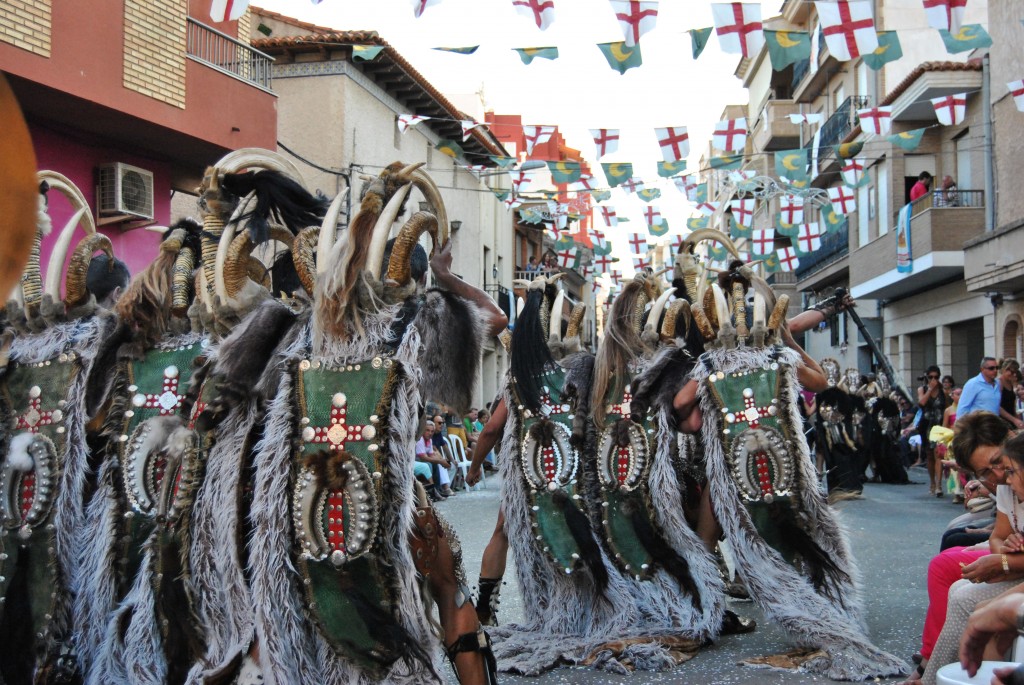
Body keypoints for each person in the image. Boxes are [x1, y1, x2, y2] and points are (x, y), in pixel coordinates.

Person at [902, 411, 1011, 683]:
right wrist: (1000, 555)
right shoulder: (1009, 479)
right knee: (959, 577)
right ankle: (933, 665)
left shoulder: (1013, 473)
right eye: (986, 471)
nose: (997, 475)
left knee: (964, 593)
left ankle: (929, 672)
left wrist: (1004, 563)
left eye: (998, 463)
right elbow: (1002, 532)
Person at [919, 365, 950, 496]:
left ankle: (938, 485)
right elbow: (921, 403)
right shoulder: (923, 389)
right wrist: (930, 389)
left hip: (939, 425)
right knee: (930, 456)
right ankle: (932, 481)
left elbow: (948, 408)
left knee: (939, 454)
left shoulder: (944, 392)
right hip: (926, 425)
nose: (933, 379)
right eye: (931, 377)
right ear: (926, 377)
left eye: (936, 377)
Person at [999, 359, 1024, 429]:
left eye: (1015, 372)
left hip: (1011, 421)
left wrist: (1017, 419)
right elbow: (997, 406)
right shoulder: (999, 383)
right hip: (1002, 421)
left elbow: (1012, 405)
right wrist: (1014, 419)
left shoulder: (1010, 383)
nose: (1014, 374)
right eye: (1012, 372)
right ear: (1004, 370)